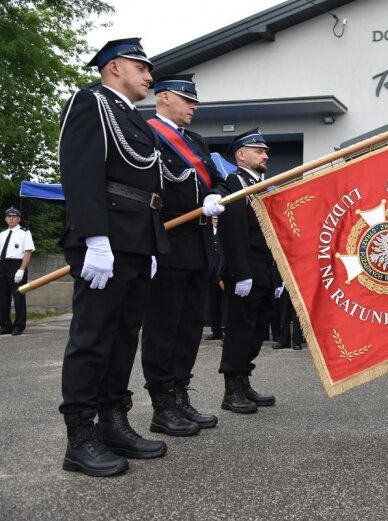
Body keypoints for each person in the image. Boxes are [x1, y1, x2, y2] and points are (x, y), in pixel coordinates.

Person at [58, 38, 168, 477]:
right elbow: (80, 171)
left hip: (138, 239)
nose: (149, 77)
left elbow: (150, 189)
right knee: (92, 337)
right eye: (142, 68)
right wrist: (94, 238)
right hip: (106, 239)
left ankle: (113, 420)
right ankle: (80, 436)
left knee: (124, 336)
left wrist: (155, 241)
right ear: (115, 66)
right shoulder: (91, 102)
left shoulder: (134, 119)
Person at [141, 74, 228, 437]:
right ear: (164, 98)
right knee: (163, 327)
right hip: (165, 241)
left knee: (191, 326)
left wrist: (215, 195)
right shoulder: (145, 133)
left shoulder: (196, 141)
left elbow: (218, 179)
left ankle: (179, 395)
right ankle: (162, 405)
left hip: (198, 245)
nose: (194, 107)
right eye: (187, 100)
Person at [217, 128, 277, 414]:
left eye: (265, 151)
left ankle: (244, 381)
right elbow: (233, 232)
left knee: (256, 331)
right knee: (240, 330)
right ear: (241, 155)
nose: (264, 155)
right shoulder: (234, 182)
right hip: (246, 266)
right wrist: (240, 272)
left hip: (265, 267)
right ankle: (232, 389)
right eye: (258, 151)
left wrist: (278, 275)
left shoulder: (264, 185)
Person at [0, 207, 35, 335]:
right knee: (3, 297)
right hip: (3, 265)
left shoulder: (25, 232)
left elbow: (28, 252)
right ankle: (5, 325)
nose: (11, 218)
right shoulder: (2, 234)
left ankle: (18, 326)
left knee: (18, 296)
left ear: (18, 218)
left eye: (14, 216)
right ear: (5, 219)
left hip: (17, 265)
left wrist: (21, 270)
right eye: (8, 216)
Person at [205, 215, 226, 341]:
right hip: (211, 273)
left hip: (222, 272)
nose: (216, 221)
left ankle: (227, 331)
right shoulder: (208, 233)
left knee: (226, 304)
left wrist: (221, 276)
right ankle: (216, 329)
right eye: (214, 218)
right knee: (214, 304)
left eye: (218, 218)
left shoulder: (224, 232)